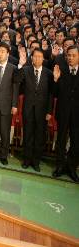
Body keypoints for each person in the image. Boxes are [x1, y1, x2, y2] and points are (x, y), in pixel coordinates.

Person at [17, 48, 53, 172]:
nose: (37, 58)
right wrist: (21, 65)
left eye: (39, 56)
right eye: (35, 56)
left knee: (39, 137)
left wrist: (49, 111)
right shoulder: (26, 70)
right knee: (27, 135)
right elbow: (16, 81)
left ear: (43, 59)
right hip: (28, 109)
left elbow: (50, 94)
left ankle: (36, 161)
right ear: (31, 58)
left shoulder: (48, 73)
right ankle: (27, 160)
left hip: (42, 111)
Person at [52, 45, 79, 182]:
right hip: (63, 113)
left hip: (77, 115)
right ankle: (60, 166)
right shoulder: (61, 71)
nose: (70, 58)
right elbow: (55, 93)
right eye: (69, 55)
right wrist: (56, 80)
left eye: (73, 55)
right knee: (61, 141)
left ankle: (72, 168)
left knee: (76, 142)